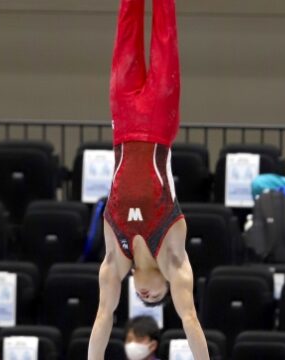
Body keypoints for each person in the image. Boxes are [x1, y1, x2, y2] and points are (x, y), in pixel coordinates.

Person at [88, 0, 209, 358]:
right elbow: (189, 317)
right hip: (158, 121)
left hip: (124, 123)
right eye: (157, 297)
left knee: (127, 23)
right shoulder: (173, 258)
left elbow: (103, 316)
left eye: (144, 298)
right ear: (168, 287)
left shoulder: (116, 259)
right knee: (164, 31)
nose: (148, 296)